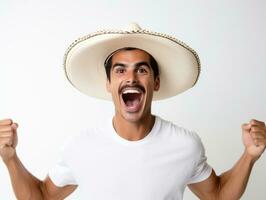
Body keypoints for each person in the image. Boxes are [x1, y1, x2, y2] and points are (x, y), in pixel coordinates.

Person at [0, 23, 265, 200]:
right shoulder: (81, 146)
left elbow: (218, 194)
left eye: (141, 69)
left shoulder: (185, 145)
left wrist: (249, 157)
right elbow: (43, 196)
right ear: (108, 84)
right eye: (120, 70)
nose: (131, 78)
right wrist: (10, 159)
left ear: (156, 82)